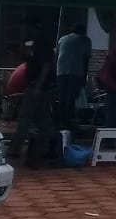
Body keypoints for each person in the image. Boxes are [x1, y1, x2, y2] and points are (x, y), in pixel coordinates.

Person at [12, 26, 56, 160]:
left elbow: (45, 68)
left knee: (28, 118)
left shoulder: (43, 46)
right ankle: (45, 147)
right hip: (37, 86)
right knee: (41, 119)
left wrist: (38, 86)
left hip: (39, 87)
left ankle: (17, 148)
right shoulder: (36, 45)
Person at [55, 23, 92, 129]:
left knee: (62, 99)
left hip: (60, 72)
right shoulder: (85, 40)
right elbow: (85, 60)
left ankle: (63, 122)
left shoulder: (62, 39)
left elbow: (57, 56)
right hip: (75, 72)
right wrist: (84, 77)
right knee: (71, 98)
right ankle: (68, 123)